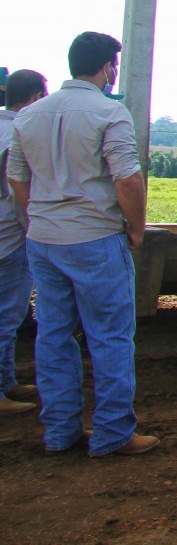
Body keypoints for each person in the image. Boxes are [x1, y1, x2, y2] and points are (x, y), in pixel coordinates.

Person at [7, 32, 157, 455]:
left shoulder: (30, 115)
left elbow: (17, 177)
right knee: (109, 336)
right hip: (94, 237)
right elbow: (127, 178)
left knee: (54, 335)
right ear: (108, 68)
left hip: (44, 239)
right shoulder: (109, 112)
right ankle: (113, 433)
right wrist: (137, 227)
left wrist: (37, 216)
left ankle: (60, 431)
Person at [0, 69, 47, 414]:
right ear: (34, 97)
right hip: (10, 236)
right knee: (6, 316)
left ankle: (7, 382)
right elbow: (18, 188)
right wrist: (31, 225)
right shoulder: (21, 132)